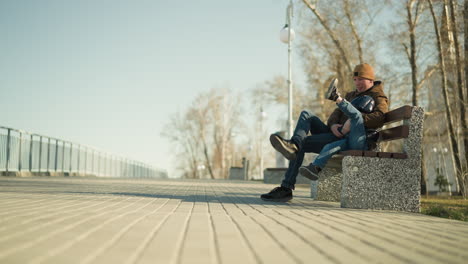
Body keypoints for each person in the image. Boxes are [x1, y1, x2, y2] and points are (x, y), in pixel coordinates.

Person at [261, 63, 389, 202]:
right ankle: (293, 145)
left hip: (350, 139)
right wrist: (333, 125)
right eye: (355, 80)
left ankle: (286, 188)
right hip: (334, 133)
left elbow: (380, 117)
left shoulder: (378, 96)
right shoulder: (351, 95)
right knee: (306, 115)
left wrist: (351, 123)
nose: (357, 83)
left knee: (302, 145)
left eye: (361, 80)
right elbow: (335, 114)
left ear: (370, 80)